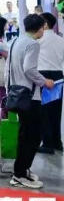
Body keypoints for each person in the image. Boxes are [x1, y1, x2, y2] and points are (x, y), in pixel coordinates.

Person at [36, 12, 64, 153]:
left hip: (43, 76)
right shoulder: (60, 39)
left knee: (44, 111)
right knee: (56, 110)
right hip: (58, 75)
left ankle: (47, 144)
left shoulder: (38, 39)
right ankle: (57, 142)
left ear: (45, 24)